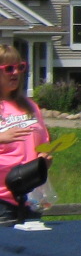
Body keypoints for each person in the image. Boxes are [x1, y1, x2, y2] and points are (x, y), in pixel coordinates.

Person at [0, 47, 49, 227]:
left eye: (20, 67)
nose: (15, 73)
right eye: (8, 69)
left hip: (31, 197)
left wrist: (45, 158)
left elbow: (44, 144)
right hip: (2, 198)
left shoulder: (30, 106)